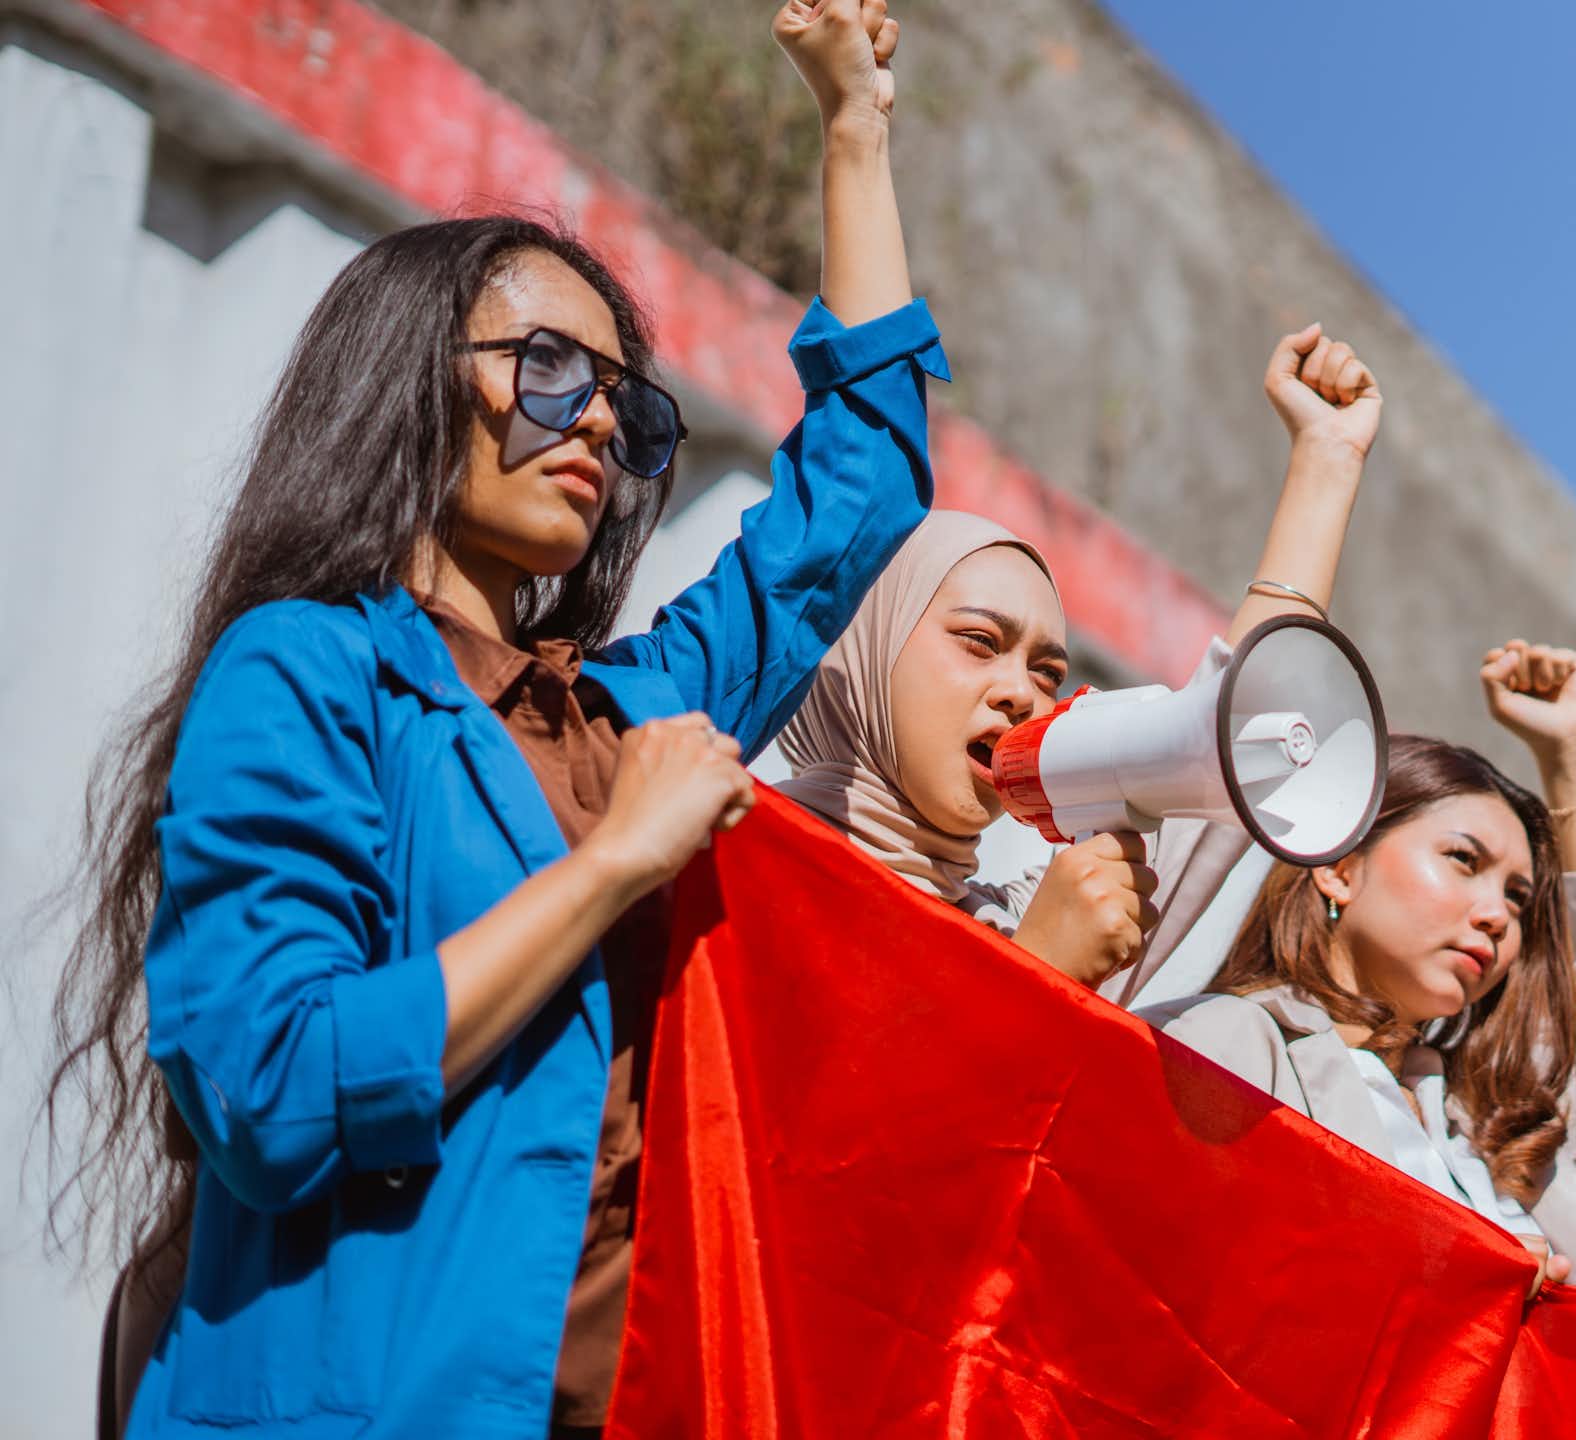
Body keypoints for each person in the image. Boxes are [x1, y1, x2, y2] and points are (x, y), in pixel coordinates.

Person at [48, 3, 928, 1434]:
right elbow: (272, 1087)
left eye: (624, 410)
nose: (593, 425)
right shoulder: (308, 672)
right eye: (546, 373)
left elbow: (862, 493)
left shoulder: (627, 709)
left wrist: (856, 133)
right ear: (414, 381)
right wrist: (612, 868)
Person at [772, 318, 1383, 992]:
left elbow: (1235, 723)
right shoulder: (729, 848)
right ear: (862, 650)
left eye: (1048, 674)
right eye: (979, 642)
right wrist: (1033, 976)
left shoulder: (1031, 923)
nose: (1020, 695)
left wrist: (1327, 460)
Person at [1142, 643, 1576, 1293]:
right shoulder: (1225, 1042)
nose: (1498, 915)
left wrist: (1572, 756)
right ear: (1339, 866)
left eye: (1519, 899)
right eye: (1464, 860)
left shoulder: (1499, 1121)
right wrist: (1466, 1292)